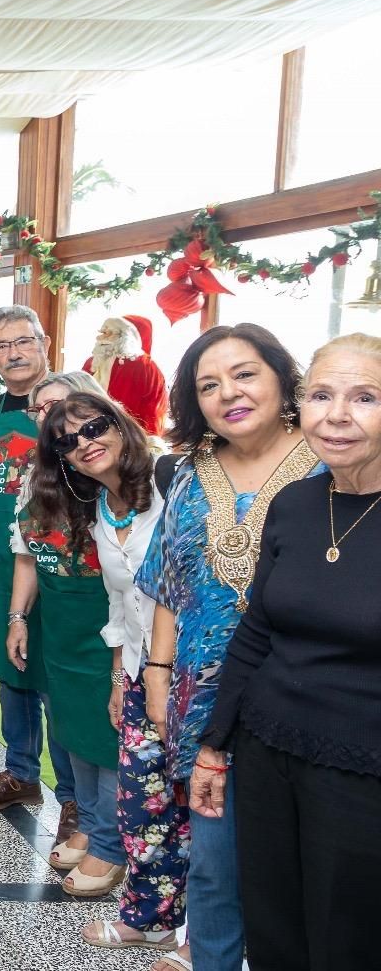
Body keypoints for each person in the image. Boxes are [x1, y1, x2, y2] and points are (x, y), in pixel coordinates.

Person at [193, 332, 381, 971]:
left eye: (365, 397)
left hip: (362, 767)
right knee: (274, 923)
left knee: (346, 935)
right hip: (268, 751)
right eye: (323, 395)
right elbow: (256, 634)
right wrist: (214, 746)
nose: (338, 415)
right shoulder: (297, 503)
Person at [137, 323, 321, 971]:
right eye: (208, 385)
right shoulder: (190, 472)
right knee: (213, 866)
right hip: (203, 701)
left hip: (303, 696)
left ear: (280, 375)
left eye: (244, 374)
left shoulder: (330, 460)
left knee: (298, 875)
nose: (228, 394)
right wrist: (157, 674)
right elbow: (166, 578)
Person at [13, 385, 187, 954]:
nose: (83, 443)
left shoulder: (168, 482)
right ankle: (151, 915)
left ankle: (199, 936)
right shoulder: (100, 507)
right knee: (145, 800)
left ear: (119, 425)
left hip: (194, 665)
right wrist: (123, 676)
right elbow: (121, 602)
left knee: (195, 803)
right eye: (67, 441)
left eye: (93, 428)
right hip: (139, 666)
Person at [6, 381, 129, 906]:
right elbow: (27, 556)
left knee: (110, 733)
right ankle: (90, 825)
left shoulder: (125, 486)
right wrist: (19, 618)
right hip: (58, 623)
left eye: (81, 419)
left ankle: (110, 840)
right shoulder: (44, 480)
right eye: (46, 413)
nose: (73, 434)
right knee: (73, 729)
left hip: (107, 625)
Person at [0, 306, 80, 830]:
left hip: (58, 561)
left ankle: (77, 795)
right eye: (0, 346)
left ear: (44, 341)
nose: (12, 353)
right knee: (12, 670)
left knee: (59, 678)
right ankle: (20, 773)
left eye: (21, 342)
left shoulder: (73, 402)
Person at [84, 315, 167, 435]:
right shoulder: (91, 363)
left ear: (125, 336)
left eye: (108, 333)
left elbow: (152, 408)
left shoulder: (144, 366)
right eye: (102, 333)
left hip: (129, 435)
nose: (100, 338)